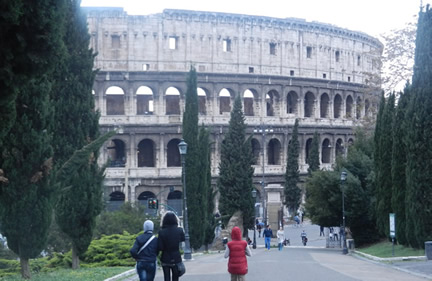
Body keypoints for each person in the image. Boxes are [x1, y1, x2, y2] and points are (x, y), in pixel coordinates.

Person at [158, 212, 185, 281]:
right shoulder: (179, 230)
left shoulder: (161, 232)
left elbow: (160, 247)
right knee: (175, 277)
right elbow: (183, 239)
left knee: (166, 278)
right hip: (176, 257)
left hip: (165, 257)